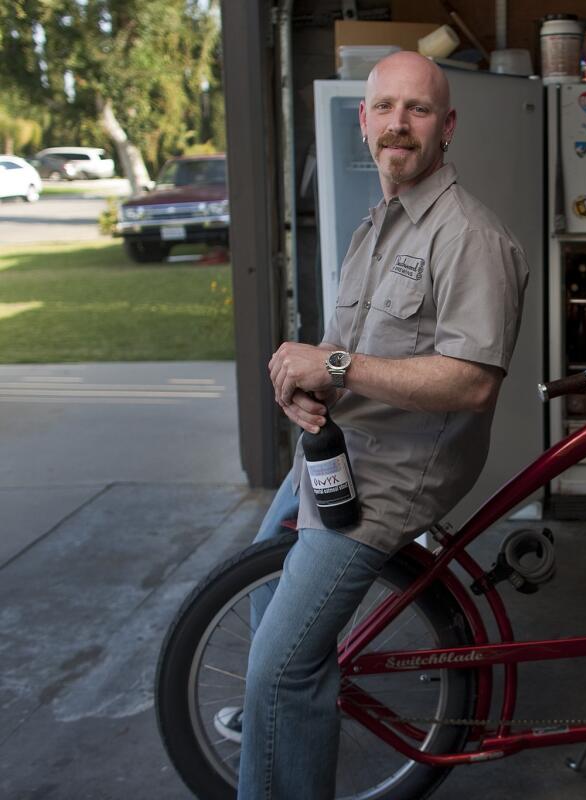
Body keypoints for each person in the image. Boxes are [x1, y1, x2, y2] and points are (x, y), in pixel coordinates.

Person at [232, 51, 530, 800]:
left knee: (281, 666)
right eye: (386, 108)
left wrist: (331, 369)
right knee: (263, 596)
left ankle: (286, 717)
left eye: (419, 109)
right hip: (338, 448)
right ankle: (289, 721)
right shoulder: (378, 223)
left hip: (394, 475)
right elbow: (353, 358)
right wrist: (307, 394)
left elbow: (469, 384)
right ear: (363, 123)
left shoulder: (469, 237)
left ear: (447, 127)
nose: (400, 123)